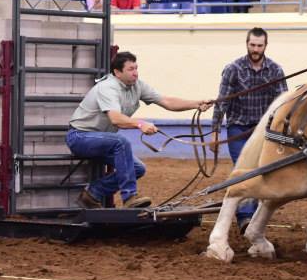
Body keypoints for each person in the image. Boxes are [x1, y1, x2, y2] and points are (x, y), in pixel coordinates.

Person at [67, 51, 211, 209]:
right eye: (130, 69)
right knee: (120, 142)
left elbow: (166, 101)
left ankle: (92, 193)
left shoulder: (138, 85)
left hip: (102, 139)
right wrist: (140, 124)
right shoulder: (108, 87)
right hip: (80, 137)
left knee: (138, 169)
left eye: (136, 68)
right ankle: (129, 197)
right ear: (117, 72)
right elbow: (115, 119)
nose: (135, 72)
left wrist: (196, 103)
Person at [210, 28, 287, 230]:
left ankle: (253, 214)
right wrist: (215, 132)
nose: (255, 49)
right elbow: (222, 102)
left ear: (265, 46)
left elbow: (282, 104)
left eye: (259, 45)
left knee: (262, 170)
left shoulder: (275, 71)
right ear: (247, 44)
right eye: (252, 45)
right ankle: (245, 217)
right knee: (245, 171)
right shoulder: (233, 69)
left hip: (263, 131)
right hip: (238, 128)